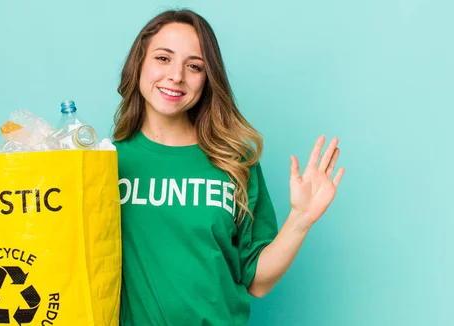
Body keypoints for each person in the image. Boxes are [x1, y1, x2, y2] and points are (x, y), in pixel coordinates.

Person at [112, 9, 345, 325]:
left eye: (194, 66)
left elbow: (258, 282)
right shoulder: (106, 161)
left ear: (207, 79)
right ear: (138, 63)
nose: (176, 76)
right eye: (163, 58)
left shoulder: (234, 162)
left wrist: (301, 220)